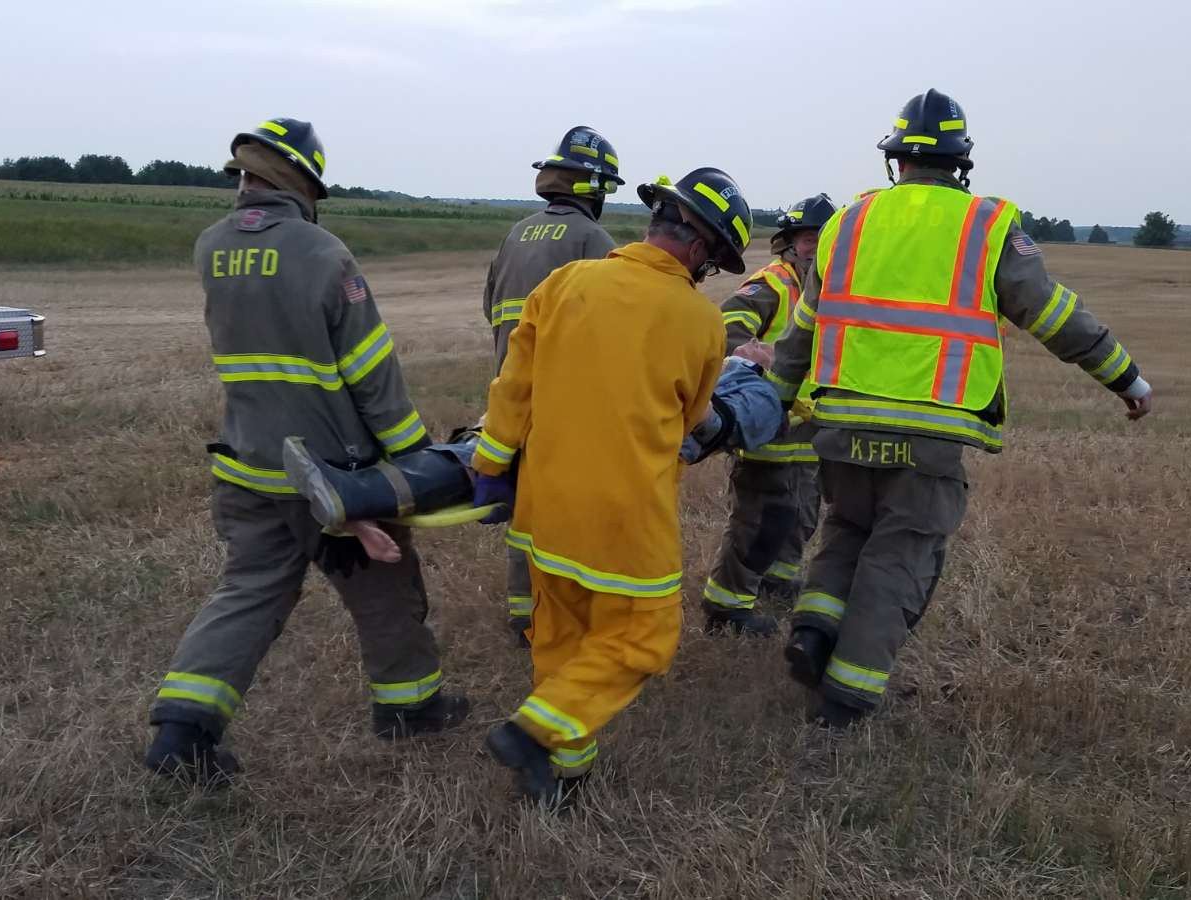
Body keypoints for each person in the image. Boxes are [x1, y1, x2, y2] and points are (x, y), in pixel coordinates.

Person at [768, 90, 1155, 729]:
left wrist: (775, 400)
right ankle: (845, 697)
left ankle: (812, 631)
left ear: (896, 161)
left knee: (846, 530)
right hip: (930, 431)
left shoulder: (847, 223)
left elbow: (802, 330)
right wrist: (1127, 379)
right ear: (961, 162)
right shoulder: (986, 226)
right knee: (902, 553)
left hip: (841, 425)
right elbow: (1052, 313)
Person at [144, 118, 469, 786]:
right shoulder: (322, 254)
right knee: (386, 591)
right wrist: (415, 463)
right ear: (302, 180)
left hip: (247, 464)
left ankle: (182, 732)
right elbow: (371, 372)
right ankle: (410, 710)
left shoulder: (211, 246)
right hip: (333, 477)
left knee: (249, 591)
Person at [470, 168, 755, 805]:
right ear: (701, 249)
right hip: (625, 517)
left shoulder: (564, 283)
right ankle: (538, 729)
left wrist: (490, 467)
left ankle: (564, 776)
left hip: (545, 513)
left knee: (561, 638)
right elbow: (690, 423)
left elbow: (513, 390)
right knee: (644, 635)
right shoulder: (701, 323)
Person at [277, 342, 785, 549]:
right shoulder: (717, 365)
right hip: (604, 429)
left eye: (750, 353)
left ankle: (358, 495)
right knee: (482, 454)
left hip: (617, 446)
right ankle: (359, 495)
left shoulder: (759, 394)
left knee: (481, 460)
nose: (746, 347)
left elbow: (713, 427)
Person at [483, 126, 623, 644]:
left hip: (511, 390)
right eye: (604, 187)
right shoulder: (593, 241)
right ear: (591, 186)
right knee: (569, 511)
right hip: (565, 399)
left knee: (525, 507)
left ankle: (524, 611)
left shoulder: (516, 234)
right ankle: (563, 613)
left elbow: (491, 309)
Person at [701, 194, 836, 637]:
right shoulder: (774, 283)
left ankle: (777, 581)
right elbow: (728, 326)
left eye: (823, 237)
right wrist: (764, 376)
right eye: (807, 237)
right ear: (790, 243)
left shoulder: (834, 289)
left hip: (810, 429)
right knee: (759, 519)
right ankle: (727, 606)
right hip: (771, 426)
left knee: (801, 514)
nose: (815, 246)